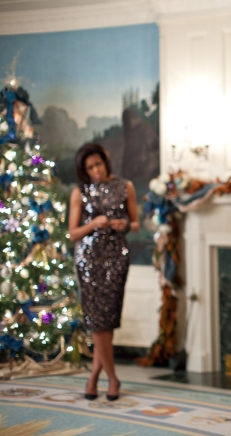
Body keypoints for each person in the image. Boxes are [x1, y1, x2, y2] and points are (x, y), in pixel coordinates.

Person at [69, 143, 140, 401]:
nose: (95, 171)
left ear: (106, 161)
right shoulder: (79, 192)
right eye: (89, 168)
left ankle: (94, 379)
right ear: (84, 170)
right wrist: (93, 224)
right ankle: (111, 379)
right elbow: (73, 233)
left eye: (98, 164)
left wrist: (124, 225)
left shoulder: (125, 186)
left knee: (107, 320)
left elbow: (136, 223)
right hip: (88, 261)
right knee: (97, 322)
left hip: (116, 258)